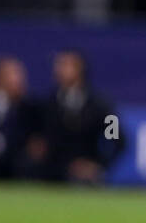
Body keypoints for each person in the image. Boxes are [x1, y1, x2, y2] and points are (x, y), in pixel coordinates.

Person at [33, 50, 122, 184]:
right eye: (58, 65)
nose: (59, 70)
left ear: (80, 69)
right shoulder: (47, 104)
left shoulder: (101, 106)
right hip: (52, 172)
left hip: (86, 174)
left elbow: (117, 140)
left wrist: (98, 165)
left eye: (65, 65)